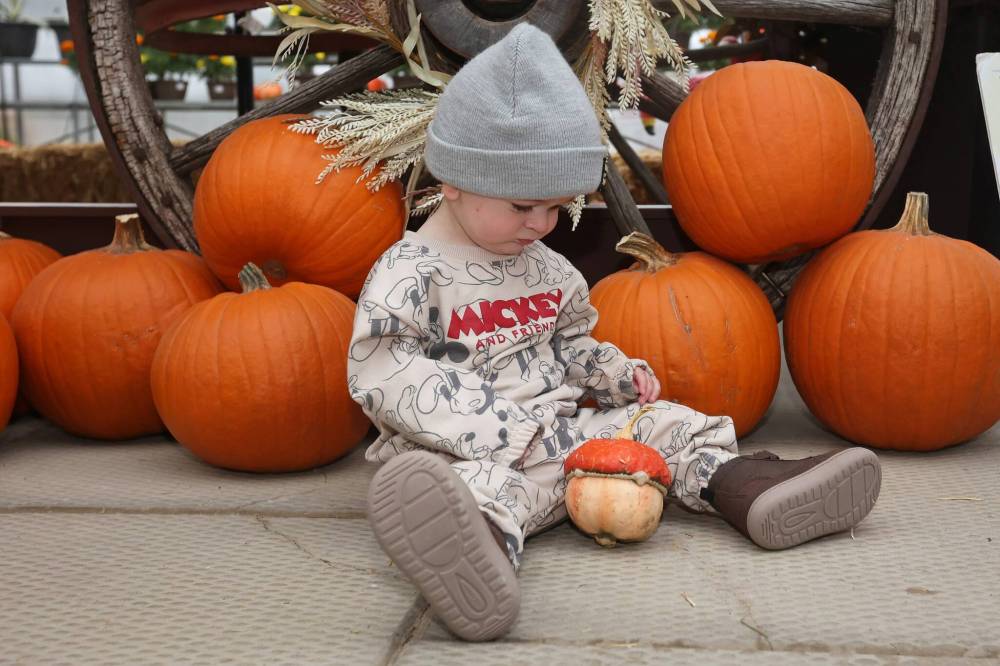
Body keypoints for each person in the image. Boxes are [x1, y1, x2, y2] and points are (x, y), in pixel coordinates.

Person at [346, 22, 881, 643]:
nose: (542, 224)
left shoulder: (547, 267)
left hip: (567, 435)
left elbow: (569, 344)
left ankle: (747, 488)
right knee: (479, 490)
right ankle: (473, 552)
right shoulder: (413, 273)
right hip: (466, 448)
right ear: (454, 180)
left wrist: (613, 374)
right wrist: (497, 429)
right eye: (523, 207)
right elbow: (385, 368)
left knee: (664, 427)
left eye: (557, 206)